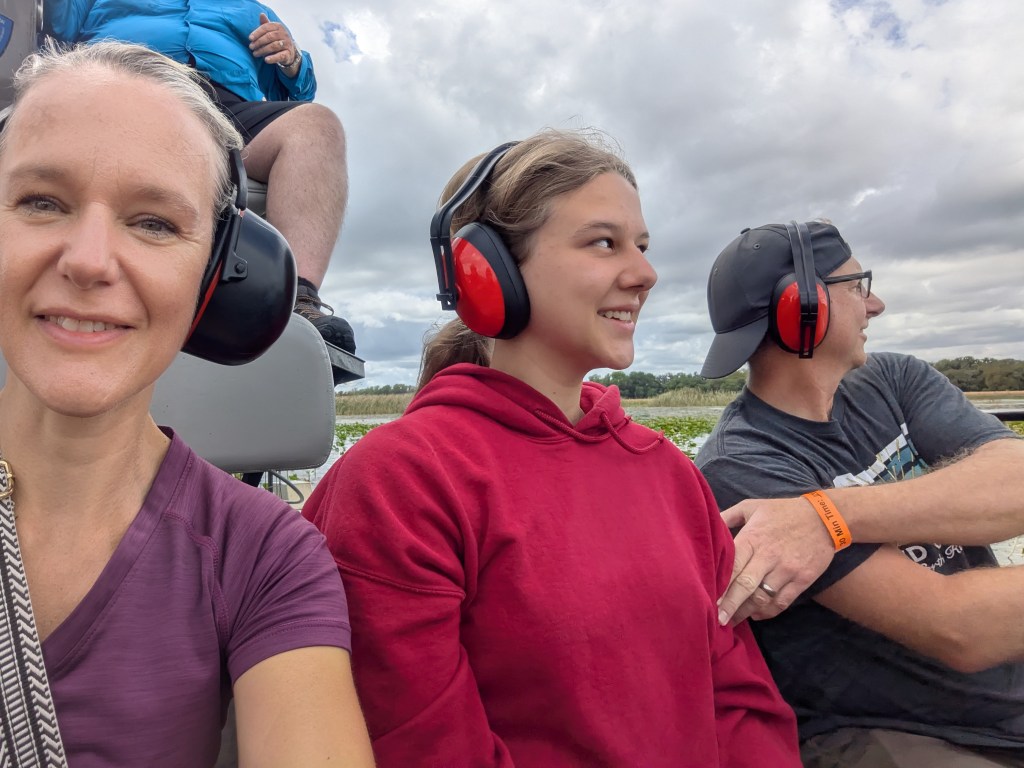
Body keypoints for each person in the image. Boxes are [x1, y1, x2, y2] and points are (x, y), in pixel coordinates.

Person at [303, 131, 801, 767]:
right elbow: (424, 745)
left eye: (643, 247)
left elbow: (739, 698)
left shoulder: (668, 472)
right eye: (603, 242)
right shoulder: (402, 481)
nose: (645, 274)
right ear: (484, 269)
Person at [0, 40, 374, 766]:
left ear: (220, 281)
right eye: (42, 202)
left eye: (155, 223)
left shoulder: (269, 558)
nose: (88, 260)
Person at [693, 220, 1024, 767]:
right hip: (895, 732)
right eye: (857, 285)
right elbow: (961, 630)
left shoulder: (896, 380)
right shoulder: (740, 466)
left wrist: (827, 515)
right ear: (804, 307)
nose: (877, 305)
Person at [44, 0, 357, 353]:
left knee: (317, 126)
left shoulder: (250, 9)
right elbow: (54, 25)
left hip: (230, 117)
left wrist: (292, 60)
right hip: (126, 91)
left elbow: (299, 90)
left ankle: (298, 301)